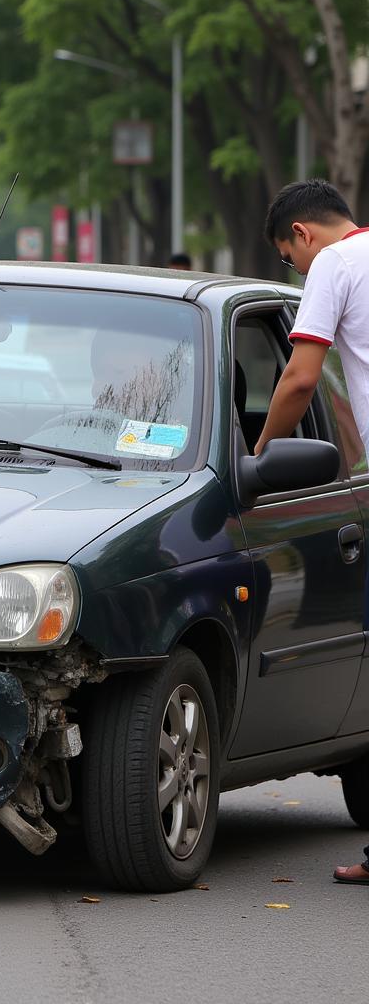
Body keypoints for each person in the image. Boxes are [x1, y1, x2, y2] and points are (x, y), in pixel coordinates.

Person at [255, 178, 369, 885]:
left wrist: (261, 455)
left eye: (289, 260)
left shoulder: (336, 264)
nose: (298, 270)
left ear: (303, 233)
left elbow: (301, 380)